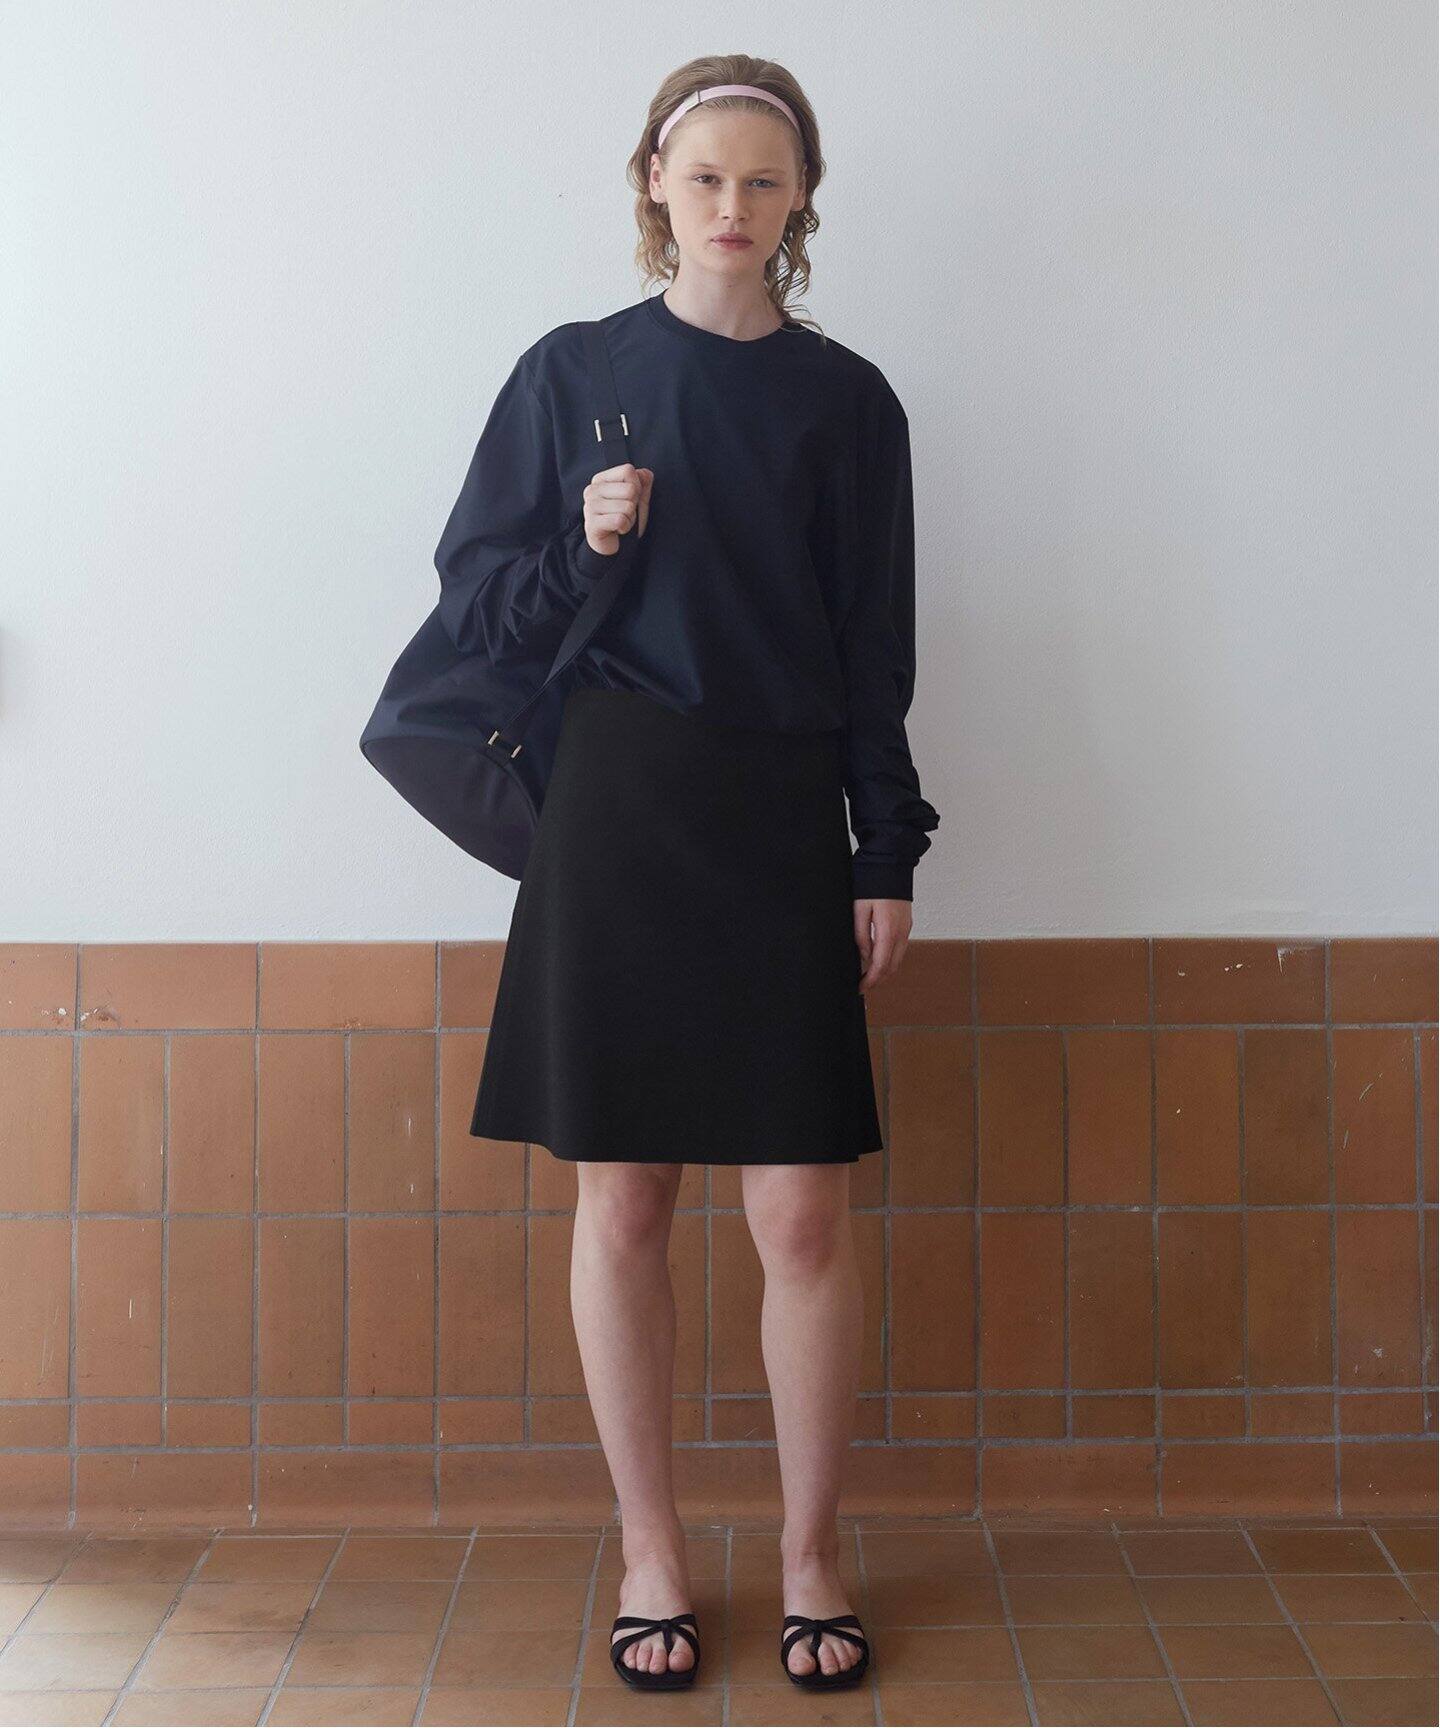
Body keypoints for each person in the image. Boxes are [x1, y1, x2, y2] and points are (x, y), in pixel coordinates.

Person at [436, 57, 940, 1692]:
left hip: (781, 814)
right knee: (626, 1197)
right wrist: (581, 541)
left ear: (801, 203)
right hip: (614, 810)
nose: (734, 205)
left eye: (765, 181)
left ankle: (811, 1552)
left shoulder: (849, 402)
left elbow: (874, 648)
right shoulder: (571, 374)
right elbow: (473, 606)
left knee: (801, 1212)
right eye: (706, 174)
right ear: (654, 181)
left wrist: (884, 843)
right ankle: (650, 1549)